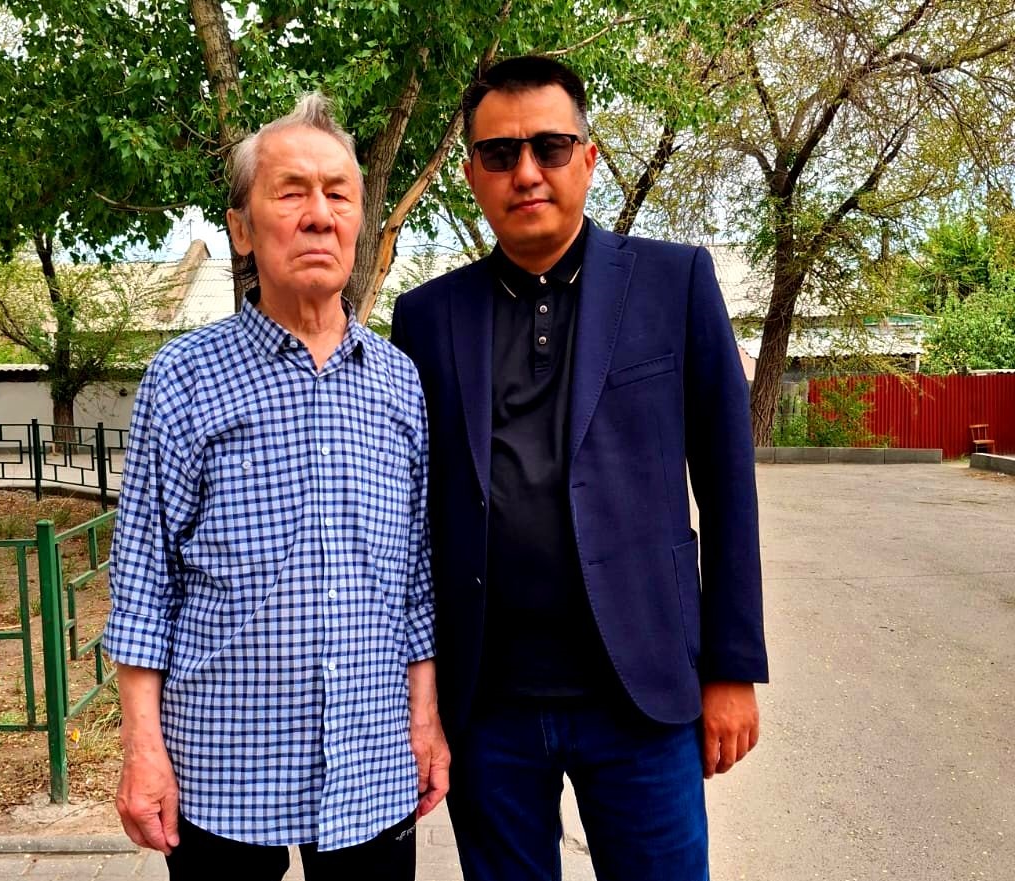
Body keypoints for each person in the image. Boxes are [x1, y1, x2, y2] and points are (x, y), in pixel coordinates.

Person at [389, 55, 768, 881]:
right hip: (490, 706)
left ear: (589, 159)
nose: (526, 171)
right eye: (500, 154)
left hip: (641, 695)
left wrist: (733, 667)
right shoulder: (426, 317)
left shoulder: (674, 284)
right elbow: (413, 518)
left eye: (550, 147)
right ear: (472, 176)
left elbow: (728, 485)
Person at [103, 93, 449, 881]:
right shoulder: (184, 378)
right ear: (241, 227)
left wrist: (425, 718)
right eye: (291, 193)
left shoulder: (399, 383)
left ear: (360, 221)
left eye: (339, 195)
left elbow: (416, 581)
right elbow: (144, 583)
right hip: (220, 766)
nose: (318, 216)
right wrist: (142, 747)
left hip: (371, 763)